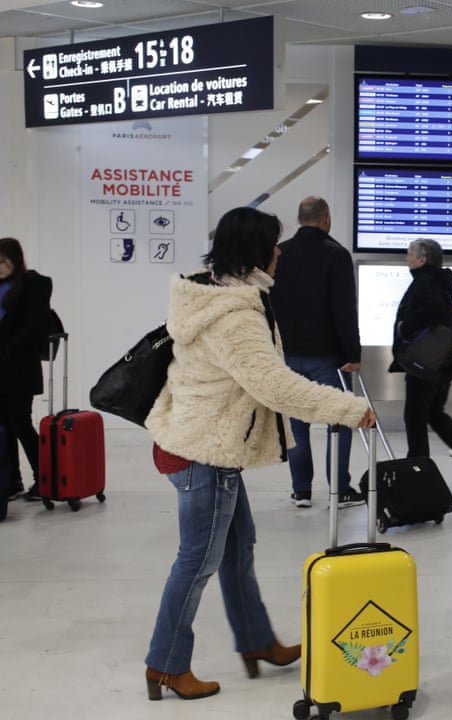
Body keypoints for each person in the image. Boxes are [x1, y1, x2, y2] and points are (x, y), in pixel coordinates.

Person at [142, 206, 375, 701]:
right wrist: (348, 408)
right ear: (259, 253)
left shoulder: (216, 292)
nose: (280, 254)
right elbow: (275, 387)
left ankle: (255, 641)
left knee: (236, 548)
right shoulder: (235, 317)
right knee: (197, 560)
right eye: (275, 246)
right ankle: (165, 664)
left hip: (206, 443)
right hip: (203, 451)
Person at [270, 196, 364, 509]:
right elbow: (344, 309)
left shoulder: (279, 253)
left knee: (297, 426)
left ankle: (301, 491)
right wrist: (353, 352)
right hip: (328, 357)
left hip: (288, 355)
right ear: (326, 218)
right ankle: (339, 490)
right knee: (340, 422)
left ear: (299, 219)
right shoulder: (336, 254)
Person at [392, 238, 452, 488]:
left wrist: (405, 327)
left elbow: (431, 311)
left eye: (410, 254)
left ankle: (419, 474)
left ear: (422, 260)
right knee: (433, 413)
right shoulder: (439, 281)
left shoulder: (426, 283)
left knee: (414, 416)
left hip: (426, 364)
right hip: (442, 362)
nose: (406, 258)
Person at [0, 237, 52, 502]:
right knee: (4, 427)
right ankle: (10, 481)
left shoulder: (34, 285)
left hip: (20, 368)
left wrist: (6, 347)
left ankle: (44, 479)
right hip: (2, 367)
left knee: (20, 423)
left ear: (15, 259)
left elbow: (33, 328)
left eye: (2, 261)